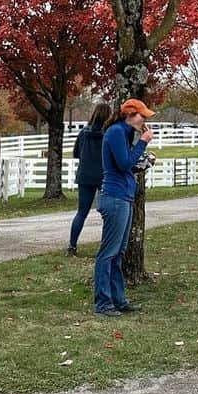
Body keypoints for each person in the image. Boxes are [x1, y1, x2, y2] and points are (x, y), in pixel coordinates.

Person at [92, 98, 156, 315]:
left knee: (118, 252)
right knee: (108, 253)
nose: (144, 120)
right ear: (129, 114)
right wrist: (143, 142)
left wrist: (145, 160)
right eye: (141, 116)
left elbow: (128, 164)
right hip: (115, 198)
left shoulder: (124, 132)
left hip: (123, 196)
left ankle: (118, 299)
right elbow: (124, 163)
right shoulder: (117, 132)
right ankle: (103, 302)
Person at [67, 102, 111, 255]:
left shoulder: (84, 132)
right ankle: (106, 246)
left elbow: (76, 153)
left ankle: (72, 246)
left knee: (81, 213)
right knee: (107, 213)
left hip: (85, 176)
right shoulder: (108, 134)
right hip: (103, 176)